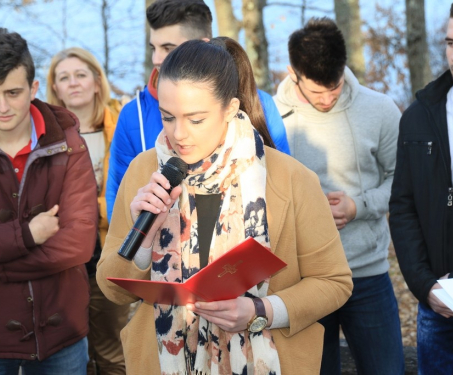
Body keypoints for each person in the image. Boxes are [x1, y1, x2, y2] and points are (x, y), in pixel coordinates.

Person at [96, 38, 353, 374]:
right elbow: (112, 289)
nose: (179, 133)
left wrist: (261, 310)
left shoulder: (291, 178)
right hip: (163, 361)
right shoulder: (145, 171)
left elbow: (334, 282)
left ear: (231, 108)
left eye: (196, 119)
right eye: (167, 117)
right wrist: (144, 243)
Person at [0, 29, 98, 374]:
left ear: (34, 89)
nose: (1, 107)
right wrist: (28, 235)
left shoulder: (68, 142)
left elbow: (79, 243)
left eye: (13, 93)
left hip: (60, 332)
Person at [273, 17, 404, 375]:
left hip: (368, 275)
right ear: (292, 72)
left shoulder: (381, 110)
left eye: (336, 87)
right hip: (304, 281)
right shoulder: (270, 119)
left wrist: (358, 206)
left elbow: (401, 181)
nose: (329, 99)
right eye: (317, 93)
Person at [105, 0, 290, 222]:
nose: (156, 59)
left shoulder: (259, 103)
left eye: (168, 48)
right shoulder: (132, 114)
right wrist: (141, 247)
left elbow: (283, 188)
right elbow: (118, 204)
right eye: (168, 117)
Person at [46, 47, 128, 375]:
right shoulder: (44, 135)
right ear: (55, 87)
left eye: (80, 75)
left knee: (112, 347)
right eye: (64, 77)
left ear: (97, 82)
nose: (73, 83)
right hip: (62, 258)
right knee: (70, 351)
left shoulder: (121, 125)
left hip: (110, 251)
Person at [389, 4, 453, 373]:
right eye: (450, 42)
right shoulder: (419, 115)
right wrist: (424, 286)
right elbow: (403, 207)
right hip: (439, 306)